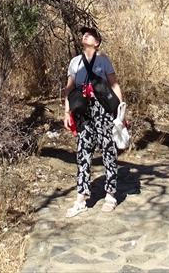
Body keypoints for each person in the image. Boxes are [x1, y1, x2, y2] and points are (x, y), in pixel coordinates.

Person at [62, 26, 125, 215]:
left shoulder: (104, 62)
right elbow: (69, 89)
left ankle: (110, 195)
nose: (86, 35)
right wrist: (67, 112)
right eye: (84, 34)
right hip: (83, 111)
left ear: (97, 43)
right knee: (83, 152)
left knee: (108, 151)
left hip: (103, 110)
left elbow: (114, 85)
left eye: (91, 35)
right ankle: (81, 198)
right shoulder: (74, 62)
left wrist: (120, 112)